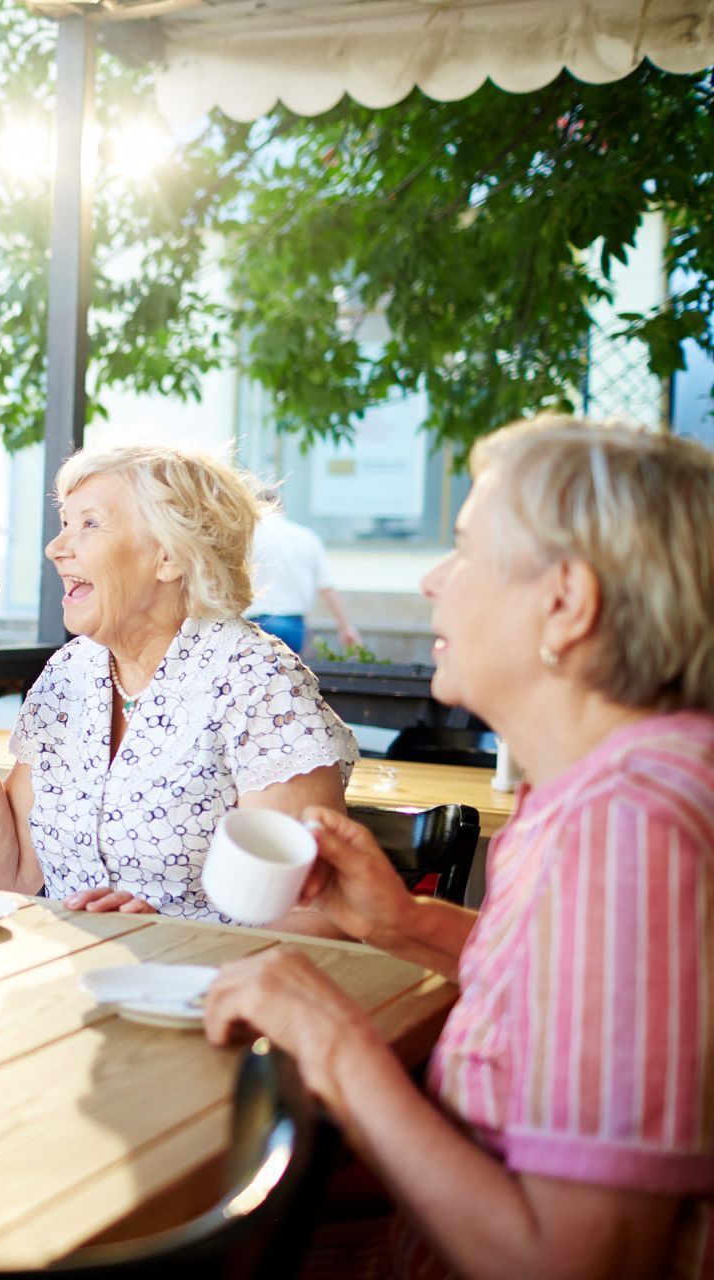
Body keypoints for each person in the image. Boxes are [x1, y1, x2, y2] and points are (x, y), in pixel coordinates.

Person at [205, 417, 714, 1278]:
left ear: (565, 602)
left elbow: (575, 1264)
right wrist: (401, 923)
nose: (435, 581)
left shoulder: (629, 825)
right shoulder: (605, 792)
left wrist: (331, 1043)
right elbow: (582, 990)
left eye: (467, 551)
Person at [0, 443, 356, 931]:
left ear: (168, 555)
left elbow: (313, 917)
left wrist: (177, 939)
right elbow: (8, 876)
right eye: (64, 523)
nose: (56, 548)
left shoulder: (256, 679)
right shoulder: (71, 672)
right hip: (75, 975)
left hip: (203, 993)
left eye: (89, 523)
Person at [245, 487, 363, 655]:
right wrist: (345, 627)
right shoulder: (307, 537)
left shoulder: (248, 536)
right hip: (294, 625)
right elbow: (327, 587)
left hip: (257, 623)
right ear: (282, 508)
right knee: (289, 677)